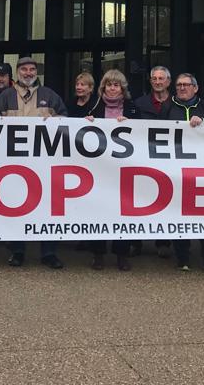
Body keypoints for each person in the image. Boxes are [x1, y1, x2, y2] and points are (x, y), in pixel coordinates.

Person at [0, 56, 67, 268]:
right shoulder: (5, 96)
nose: (29, 73)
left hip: (45, 163)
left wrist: (60, 120)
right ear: (18, 72)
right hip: (15, 163)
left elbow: (67, 121)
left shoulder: (50, 96)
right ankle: (17, 251)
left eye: (32, 69)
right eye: (24, 69)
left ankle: (49, 253)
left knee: (48, 208)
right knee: (16, 206)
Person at [162, 73, 204, 274]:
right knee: (179, 211)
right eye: (178, 85)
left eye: (186, 84)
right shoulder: (168, 106)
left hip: (202, 168)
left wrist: (203, 121)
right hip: (176, 169)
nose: (182, 88)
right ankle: (182, 258)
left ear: (196, 88)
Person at [82, 70, 139, 271]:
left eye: (116, 85)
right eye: (109, 85)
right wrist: (85, 122)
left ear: (122, 88)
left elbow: (143, 134)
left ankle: (121, 254)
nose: (112, 88)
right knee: (99, 210)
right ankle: (98, 254)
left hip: (124, 169)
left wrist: (132, 124)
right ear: (103, 87)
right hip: (99, 169)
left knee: (122, 211)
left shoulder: (132, 109)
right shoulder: (94, 106)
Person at [133, 65, 173, 258]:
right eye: (154, 79)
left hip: (169, 159)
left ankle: (163, 241)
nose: (158, 82)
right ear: (150, 82)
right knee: (137, 199)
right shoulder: (139, 103)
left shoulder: (177, 103)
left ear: (168, 82)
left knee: (165, 199)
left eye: (162, 78)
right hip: (143, 157)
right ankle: (135, 242)